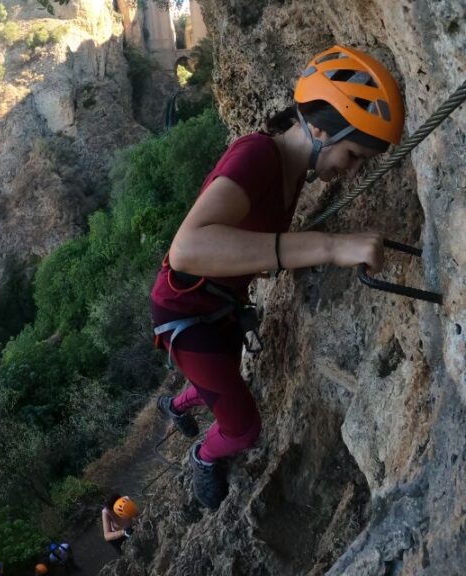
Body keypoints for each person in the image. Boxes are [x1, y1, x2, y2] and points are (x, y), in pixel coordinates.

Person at [152, 45, 404, 509]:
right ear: (322, 128)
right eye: (352, 155)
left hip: (218, 306)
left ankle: (175, 404)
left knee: (220, 373)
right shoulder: (256, 157)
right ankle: (203, 456)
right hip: (186, 312)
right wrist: (329, 247)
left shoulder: (292, 172)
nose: (351, 171)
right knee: (243, 428)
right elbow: (187, 249)